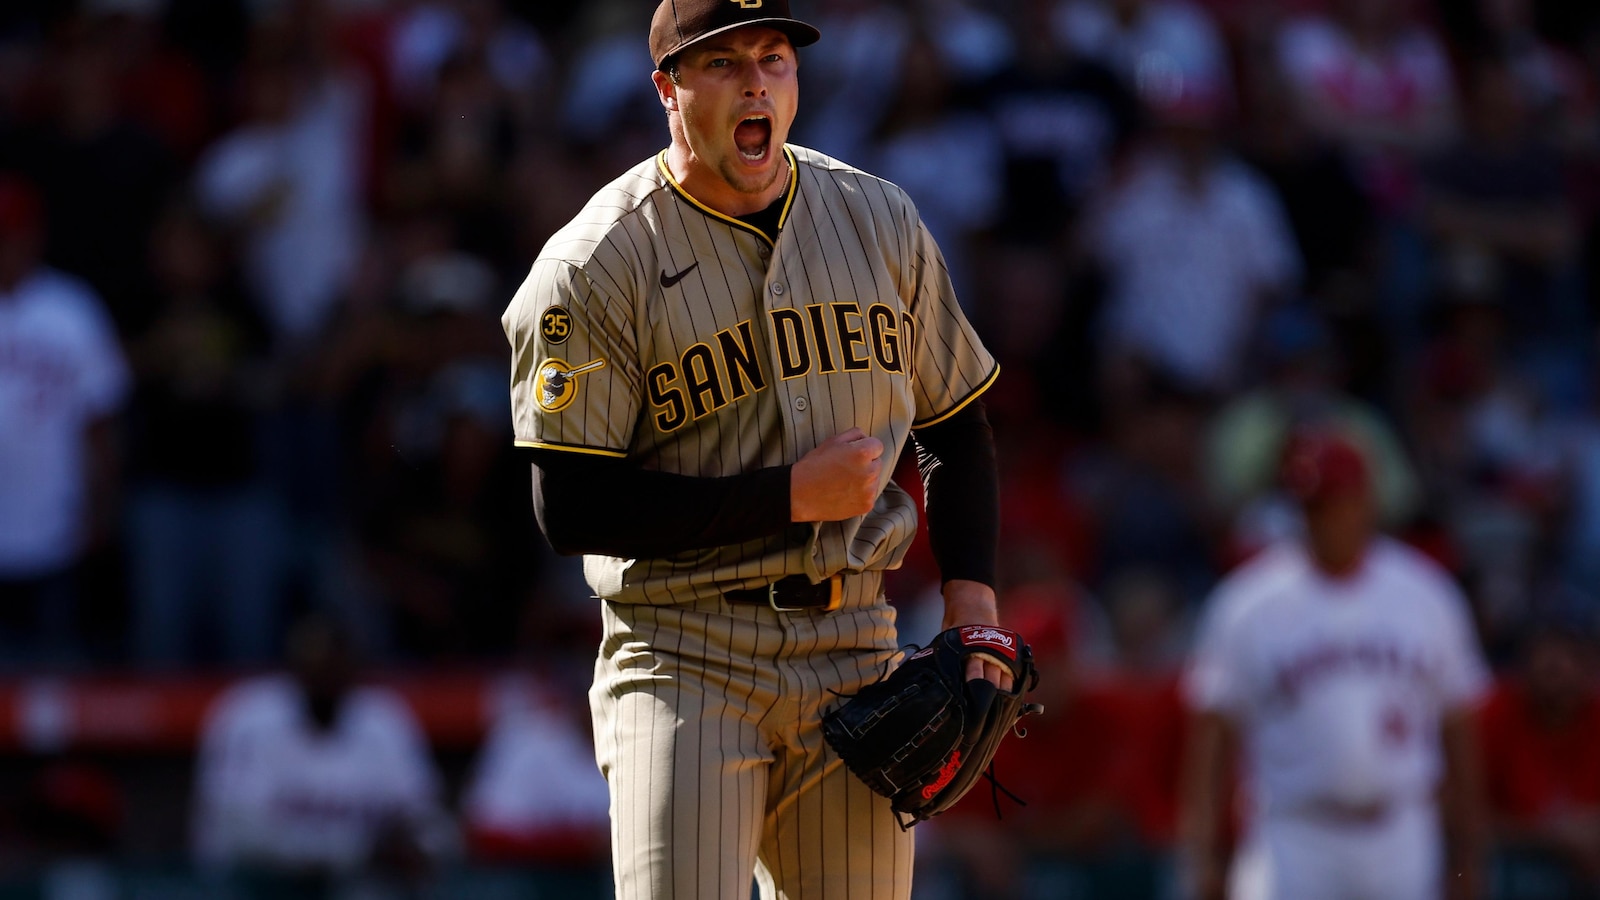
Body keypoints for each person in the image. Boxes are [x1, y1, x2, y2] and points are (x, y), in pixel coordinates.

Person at [500, 1, 1006, 898]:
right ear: (667, 87)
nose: (756, 82)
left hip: (855, 644)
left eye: (773, 58)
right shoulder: (593, 266)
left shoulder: (876, 220)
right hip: (684, 649)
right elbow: (568, 506)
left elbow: (956, 421)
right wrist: (787, 497)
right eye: (724, 63)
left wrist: (973, 606)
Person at [1179, 428, 1491, 900]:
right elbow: (1215, 732)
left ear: (1367, 501)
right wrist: (1202, 855)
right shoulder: (1248, 602)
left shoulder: (1426, 594)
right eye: (1312, 505)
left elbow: (1457, 725)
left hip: (1402, 826)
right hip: (1294, 832)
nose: (1324, 518)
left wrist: (1468, 854)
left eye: (1336, 501)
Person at [190, 612, 458, 890]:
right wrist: (358, 853)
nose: (324, 676)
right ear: (294, 668)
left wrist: (419, 844)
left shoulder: (385, 720)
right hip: (258, 889)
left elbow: (429, 821)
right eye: (315, 665)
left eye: (334, 663)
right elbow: (240, 836)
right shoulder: (249, 717)